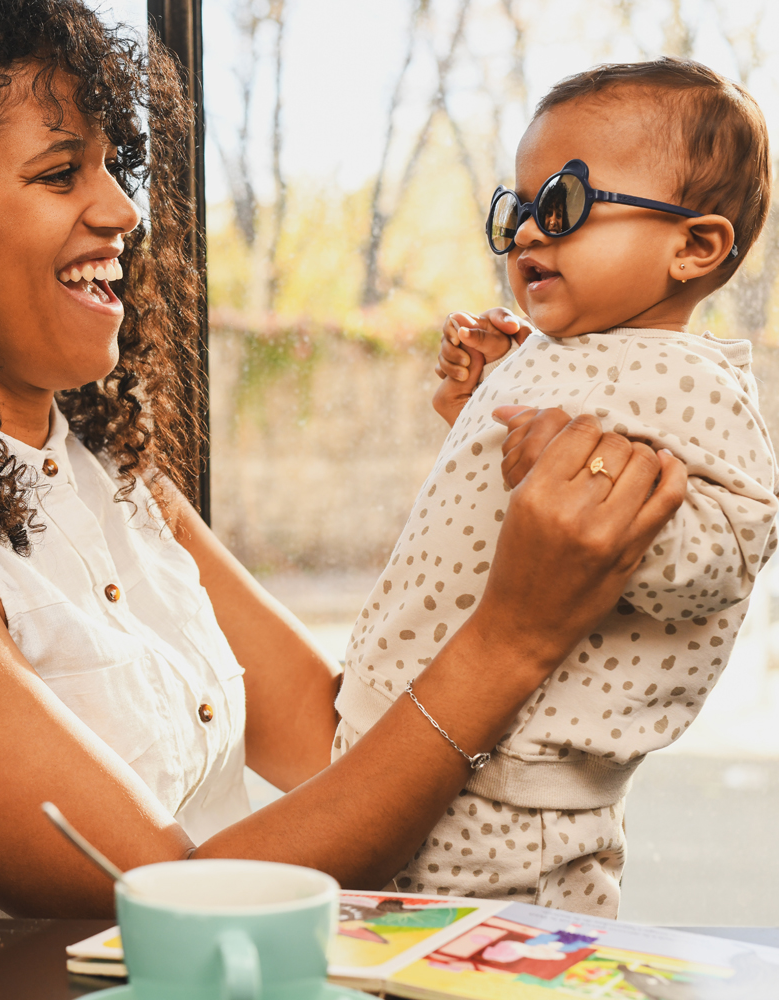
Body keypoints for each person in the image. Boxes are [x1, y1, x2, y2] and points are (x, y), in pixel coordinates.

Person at [0, 0, 685, 968]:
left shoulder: (120, 482)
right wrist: (514, 636)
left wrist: (491, 463)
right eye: (58, 174)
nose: (124, 211)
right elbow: (176, 906)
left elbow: (345, 735)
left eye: (109, 167)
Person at [333, 58, 778, 916]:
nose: (530, 233)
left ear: (695, 245)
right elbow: (502, 500)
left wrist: (599, 491)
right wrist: (480, 404)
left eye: (564, 205)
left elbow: (729, 552)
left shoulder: (690, 379)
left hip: (515, 801)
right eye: (521, 209)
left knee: (498, 966)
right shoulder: (558, 353)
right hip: (417, 740)